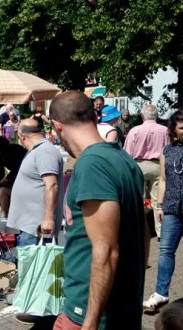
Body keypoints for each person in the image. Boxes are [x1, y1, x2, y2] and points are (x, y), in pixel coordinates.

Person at [49, 90, 145, 330]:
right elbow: (144, 232)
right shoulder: (123, 158)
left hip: (90, 314)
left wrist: (90, 323)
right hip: (120, 306)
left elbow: (107, 250)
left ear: (56, 126)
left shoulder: (93, 164)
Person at [143, 111, 183, 312]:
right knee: (166, 251)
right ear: (174, 130)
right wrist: (159, 206)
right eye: (182, 127)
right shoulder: (167, 151)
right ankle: (161, 293)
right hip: (172, 209)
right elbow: (164, 181)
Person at [7, 118, 63, 247]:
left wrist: (48, 219)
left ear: (22, 136)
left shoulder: (45, 151)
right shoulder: (36, 150)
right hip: (29, 226)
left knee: (34, 266)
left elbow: (52, 185)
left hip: (36, 227)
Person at [124, 104, 169, 239]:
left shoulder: (134, 131)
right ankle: (160, 231)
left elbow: (127, 152)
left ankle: (140, 230)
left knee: (140, 199)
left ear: (142, 116)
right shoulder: (165, 130)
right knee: (158, 200)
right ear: (156, 115)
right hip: (158, 165)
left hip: (140, 166)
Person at [0, 136, 27, 219]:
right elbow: (0, 174)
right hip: (11, 179)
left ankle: (5, 215)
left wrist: (8, 179)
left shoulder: (16, 150)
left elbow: (21, 169)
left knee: (2, 190)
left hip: (22, 180)